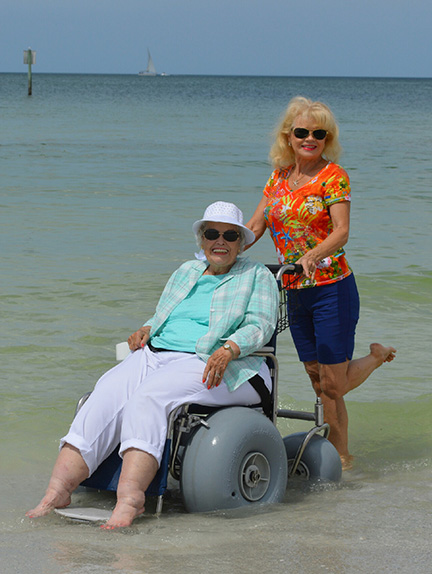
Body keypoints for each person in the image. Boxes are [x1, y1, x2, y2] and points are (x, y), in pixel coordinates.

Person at [26, 201, 279, 528]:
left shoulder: (255, 275)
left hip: (218, 361)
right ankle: (57, 491)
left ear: (242, 243)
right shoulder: (186, 271)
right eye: (212, 233)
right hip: (158, 353)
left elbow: (260, 325)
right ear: (202, 239)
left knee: (149, 397)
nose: (221, 241)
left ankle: (130, 499)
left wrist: (230, 348)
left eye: (230, 235)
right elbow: (165, 316)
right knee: (105, 393)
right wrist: (146, 329)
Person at [246, 96, 396, 469]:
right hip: (294, 292)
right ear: (288, 136)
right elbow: (256, 226)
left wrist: (312, 255)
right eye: (302, 132)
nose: (309, 138)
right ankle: (339, 454)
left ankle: (375, 361)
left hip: (332, 289)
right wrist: (220, 245)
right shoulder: (278, 178)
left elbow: (342, 231)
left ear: (327, 138)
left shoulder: (334, 176)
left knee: (333, 384)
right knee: (318, 380)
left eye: (319, 133)